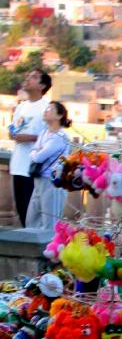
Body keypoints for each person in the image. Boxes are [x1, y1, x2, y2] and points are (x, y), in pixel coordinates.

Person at [9, 69, 52, 226]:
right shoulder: (22, 106)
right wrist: (13, 135)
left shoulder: (47, 108)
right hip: (17, 165)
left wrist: (31, 138)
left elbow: (51, 136)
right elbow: (14, 129)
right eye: (28, 76)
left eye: (33, 77)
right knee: (21, 210)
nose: (27, 79)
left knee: (32, 213)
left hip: (33, 168)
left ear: (42, 86)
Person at [25, 101, 71, 230]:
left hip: (52, 182)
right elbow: (34, 152)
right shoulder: (44, 133)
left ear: (60, 115)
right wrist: (36, 151)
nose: (46, 111)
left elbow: (39, 156)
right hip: (39, 179)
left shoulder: (60, 136)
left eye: (50, 109)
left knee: (50, 223)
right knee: (32, 219)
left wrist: (36, 151)